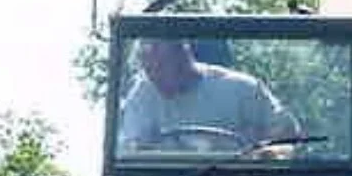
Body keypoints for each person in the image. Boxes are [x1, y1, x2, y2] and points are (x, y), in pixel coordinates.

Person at [117, 40, 300, 154]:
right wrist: (140, 146)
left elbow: (286, 133)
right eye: (149, 70)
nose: (156, 78)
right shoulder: (143, 97)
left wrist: (264, 151)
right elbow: (130, 150)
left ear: (183, 56)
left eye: (162, 66)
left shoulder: (240, 89)